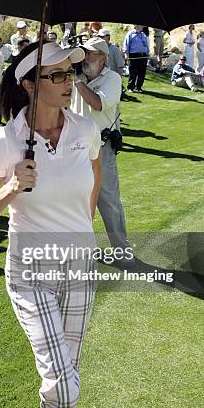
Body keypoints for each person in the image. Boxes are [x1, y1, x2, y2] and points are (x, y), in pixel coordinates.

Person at [0, 41, 101, 408]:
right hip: (31, 271)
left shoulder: (86, 130)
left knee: (69, 369)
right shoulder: (5, 141)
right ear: (29, 84)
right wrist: (12, 187)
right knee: (62, 380)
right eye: (58, 75)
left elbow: (92, 187)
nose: (70, 83)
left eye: (72, 73)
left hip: (80, 265)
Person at [71, 36, 131, 256]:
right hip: (75, 147)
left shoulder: (112, 78)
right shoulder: (78, 78)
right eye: (83, 54)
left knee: (108, 201)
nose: (84, 58)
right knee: (77, 199)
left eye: (89, 54)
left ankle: (122, 251)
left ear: (103, 59)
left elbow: (97, 103)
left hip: (101, 147)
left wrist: (78, 83)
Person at [123, 24, 149, 92]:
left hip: (143, 55)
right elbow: (126, 45)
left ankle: (139, 87)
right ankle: (130, 87)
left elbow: (146, 45)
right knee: (133, 72)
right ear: (137, 26)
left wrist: (147, 54)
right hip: (134, 55)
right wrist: (126, 55)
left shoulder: (143, 35)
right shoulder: (130, 34)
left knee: (142, 72)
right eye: (141, 25)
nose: (143, 26)